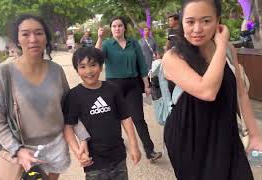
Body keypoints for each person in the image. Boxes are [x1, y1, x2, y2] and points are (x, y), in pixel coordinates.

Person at [162, 0, 262, 179]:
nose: (197, 29)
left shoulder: (229, 50)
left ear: (218, 21)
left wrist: (255, 136)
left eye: (206, 21)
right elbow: (207, 91)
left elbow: (241, 94)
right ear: (182, 23)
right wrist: (222, 46)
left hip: (225, 131)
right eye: (190, 21)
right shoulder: (173, 57)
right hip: (190, 137)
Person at [0, 14, 90, 180]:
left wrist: (82, 138)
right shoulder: (3, 74)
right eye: (25, 34)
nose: (33, 39)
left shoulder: (56, 71)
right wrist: (17, 150)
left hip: (57, 147)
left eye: (39, 33)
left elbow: (69, 110)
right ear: (17, 39)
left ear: (46, 38)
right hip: (25, 151)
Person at [63, 47, 141, 180]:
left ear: (101, 66)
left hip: (118, 157)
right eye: (82, 67)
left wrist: (134, 145)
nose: (88, 71)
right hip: (94, 162)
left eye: (93, 65)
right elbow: (68, 127)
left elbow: (126, 118)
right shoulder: (74, 95)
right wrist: (78, 152)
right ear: (77, 70)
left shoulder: (113, 89)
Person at [95, 16, 162, 163]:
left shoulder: (133, 43)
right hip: (113, 86)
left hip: (133, 85)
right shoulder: (107, 44)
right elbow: (95, 57)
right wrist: (99, 38)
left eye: (120, 26)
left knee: (138, 119)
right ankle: (115, 148)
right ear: (111, 29)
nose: (117, 28)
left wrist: (146, 84)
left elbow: (142, 64)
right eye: (114, 26)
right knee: (114, 119)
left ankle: (149, 151)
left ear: (124, 28)